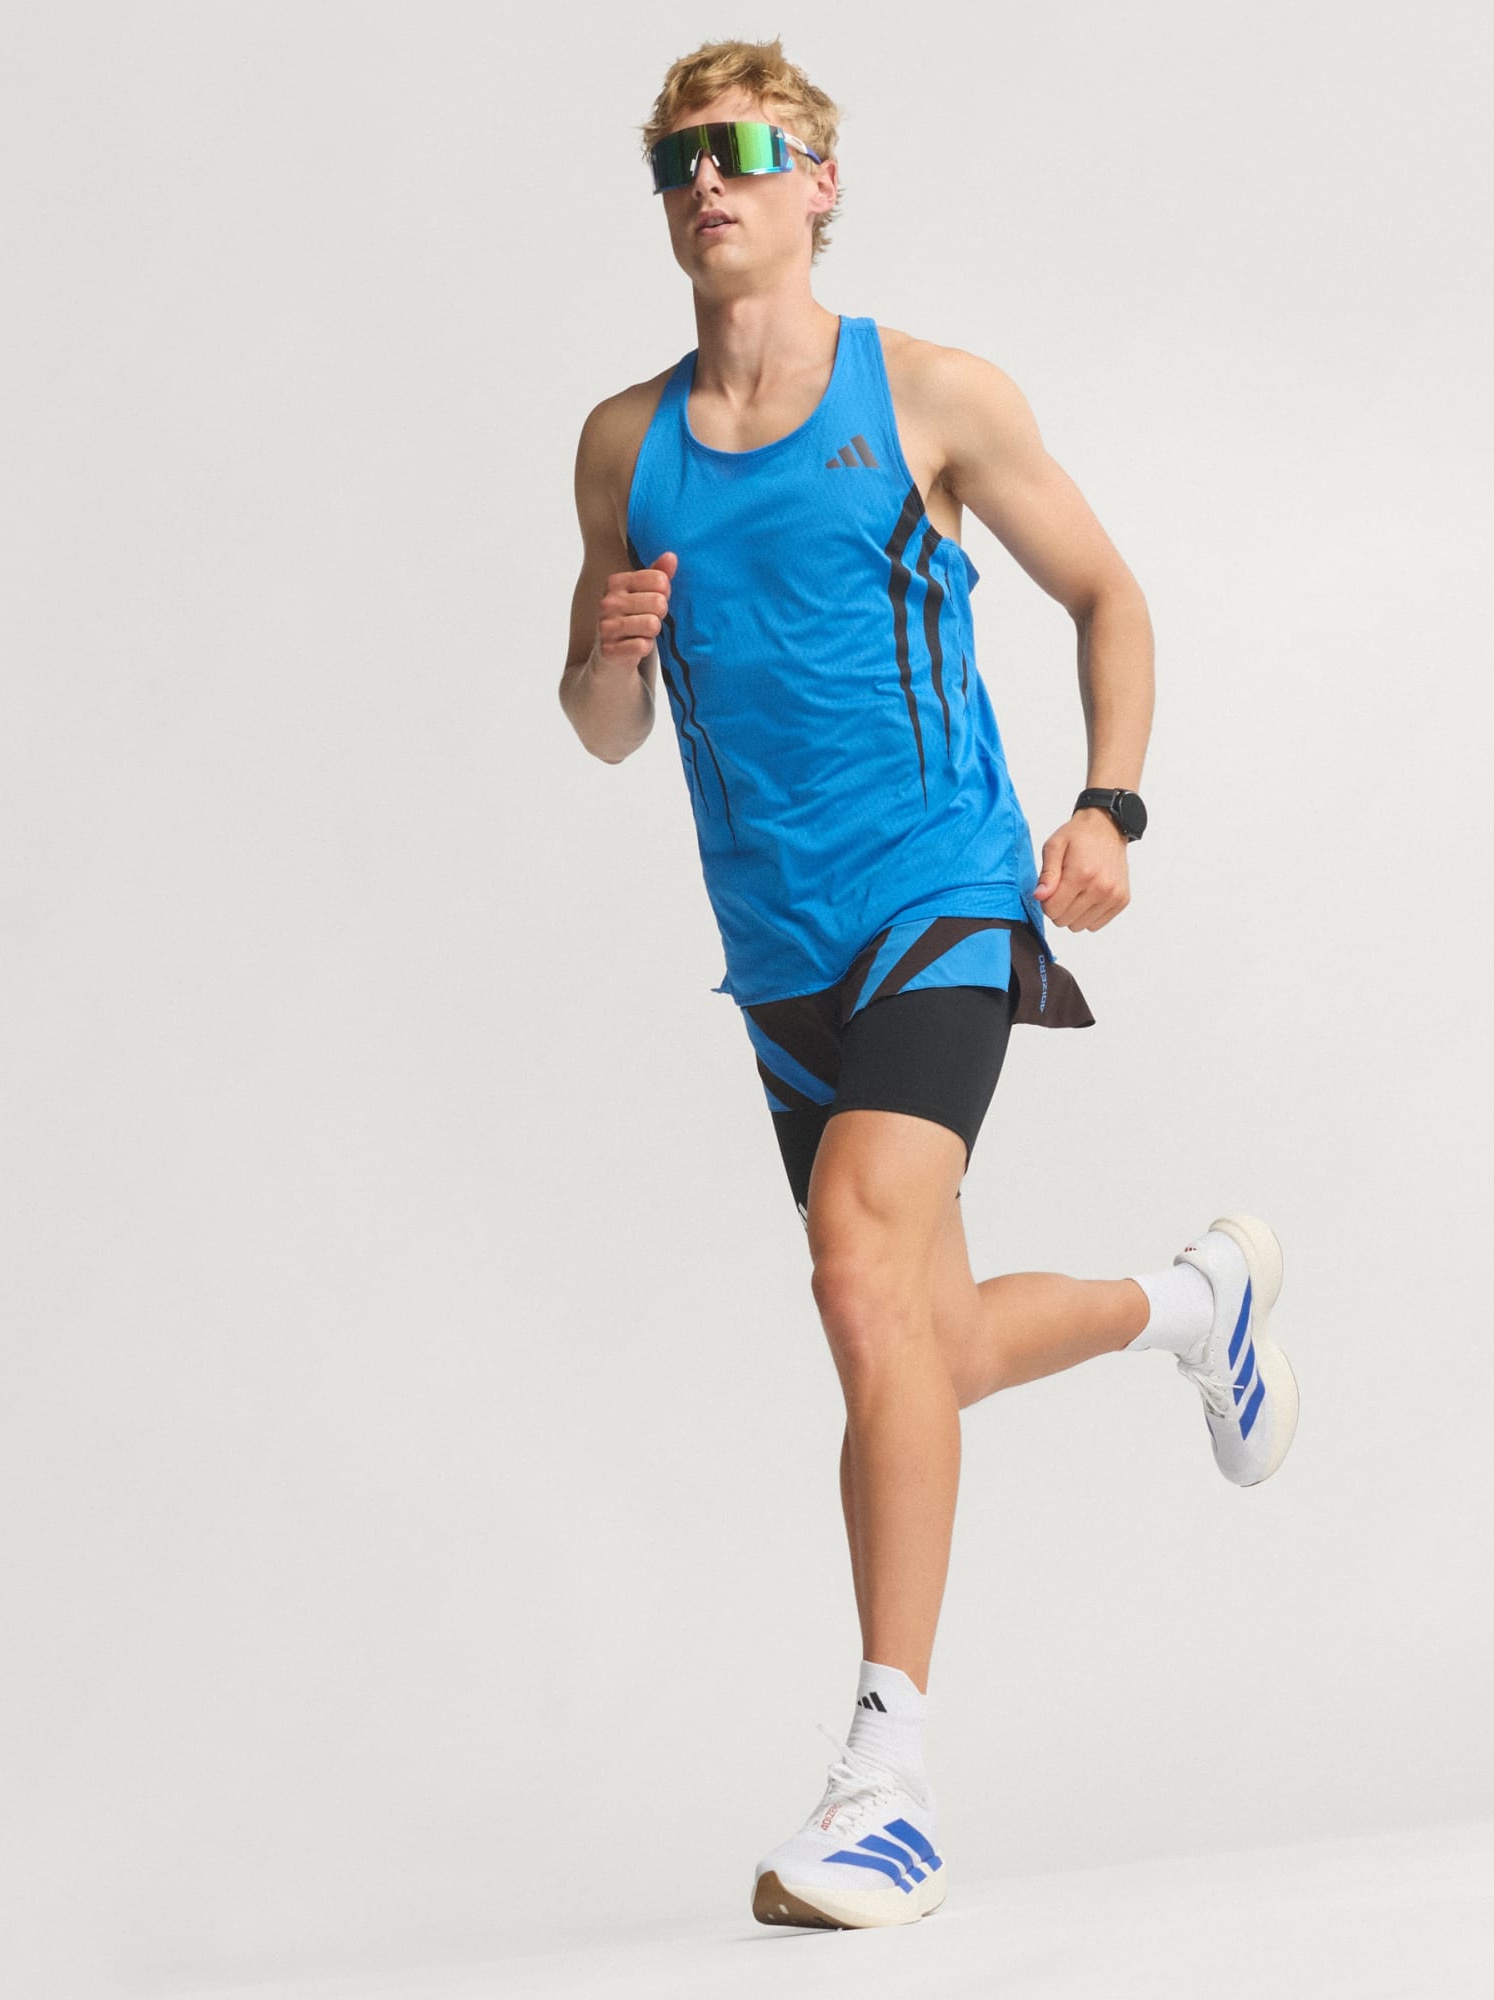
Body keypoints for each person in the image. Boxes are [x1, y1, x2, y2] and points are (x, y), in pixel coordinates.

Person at [558, 37, 1299, 1931]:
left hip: (941, 900)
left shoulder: (931, 397)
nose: (706, 182)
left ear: (818, 183)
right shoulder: (624, 447)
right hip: (780, 956)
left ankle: (889, 1778)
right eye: (674, 159)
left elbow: (1111, 595)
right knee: (921, 1344)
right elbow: (604, 727)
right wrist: (606, 650)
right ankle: (1193, 1304)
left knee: (851, 1265)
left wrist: (1111, 804)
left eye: (742, 148)